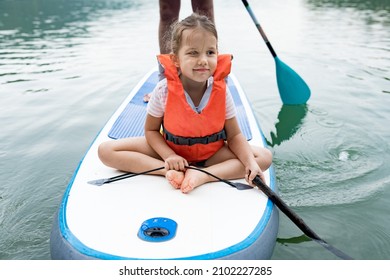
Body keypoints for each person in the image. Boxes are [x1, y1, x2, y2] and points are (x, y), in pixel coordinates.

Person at [98, 13, 272, 194]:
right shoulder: (163, 90)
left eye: (210, 52)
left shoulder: (221, 91)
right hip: (171, 148)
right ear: (175, 59)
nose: (203, 60)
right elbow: (150, 131)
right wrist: (169, 156)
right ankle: (168, 170)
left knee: (263, 158)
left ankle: (203, 175)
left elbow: (234, 135)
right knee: (106, 151)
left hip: (212, 154)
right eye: (193, 53)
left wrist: (250, 163)